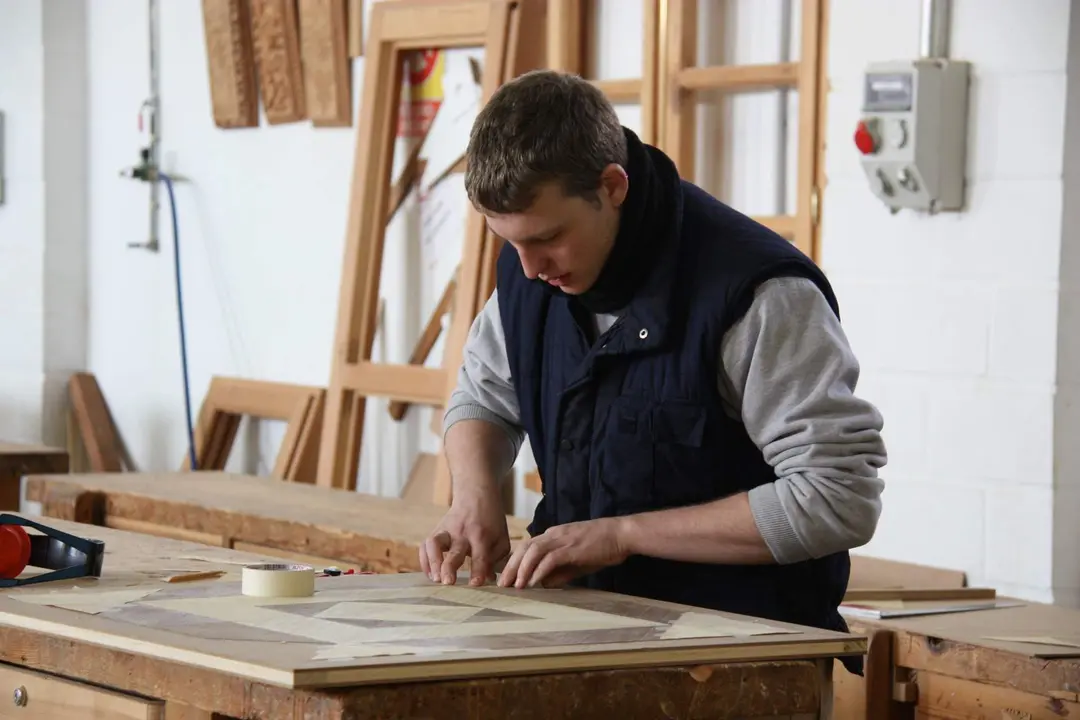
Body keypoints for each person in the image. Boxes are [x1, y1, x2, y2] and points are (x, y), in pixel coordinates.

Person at [419, 69, 887, 652]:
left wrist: (624, 535)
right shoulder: (530, 272)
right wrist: (473, 494)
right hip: (576, 632)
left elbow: (837, 496)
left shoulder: (755, 295)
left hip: (739, 656)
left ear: (613, 187)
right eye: (509, 243)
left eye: (548, 238)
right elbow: (485, 397)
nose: (530, 268)